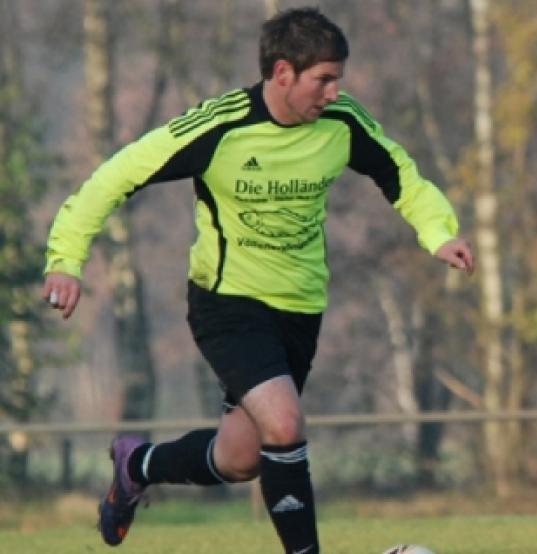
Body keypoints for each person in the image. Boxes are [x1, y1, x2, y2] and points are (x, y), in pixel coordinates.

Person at [42, 7, 474, 553]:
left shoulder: (343, 126)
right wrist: (66, 259)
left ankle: (138, 463)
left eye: (339, 78)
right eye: (324, 79)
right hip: (228, 304)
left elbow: (402, 177)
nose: (335, 92)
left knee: (241, 458)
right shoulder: (218, 128)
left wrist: (438, 234)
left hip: (300, 308)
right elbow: (112, 178)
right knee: (287, 424)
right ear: (283, 73)